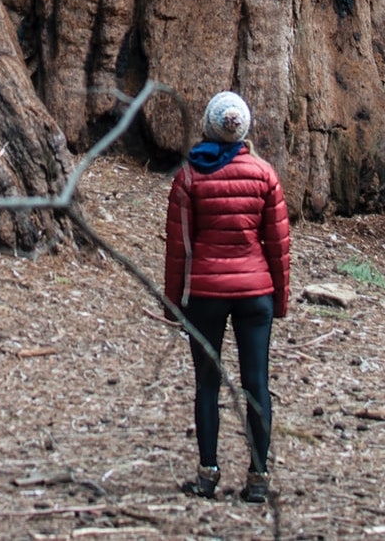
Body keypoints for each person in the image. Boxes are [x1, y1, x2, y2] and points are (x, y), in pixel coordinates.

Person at [163, 90, 291, 503]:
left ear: (208, 125)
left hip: (205, 294)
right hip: (256, 295)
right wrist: (281, 300)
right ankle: (258, 477)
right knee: (257, 383)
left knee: (207, 384)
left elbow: (178, 247)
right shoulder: (264, 174)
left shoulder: (189, 177)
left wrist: (172, 301)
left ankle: (207, 474)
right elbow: (278, 245)